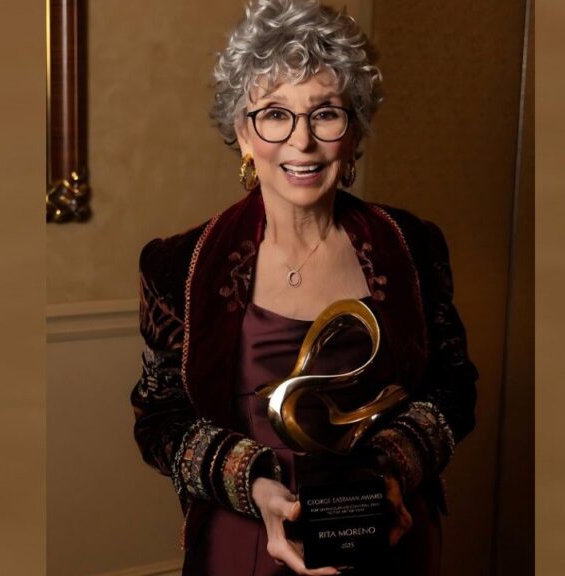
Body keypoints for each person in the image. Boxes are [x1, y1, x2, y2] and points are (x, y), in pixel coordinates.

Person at [130, 1, 478, 574]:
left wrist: (390, 473)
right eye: (274, 114)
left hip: (388, 537)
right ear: (243, 133)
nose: (302, 142)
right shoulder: (178, 265)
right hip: (244, 546)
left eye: (325, 114)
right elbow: (159, 418)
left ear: (354, 130)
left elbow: (453, 389)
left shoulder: (414, 245)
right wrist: (257, 488)